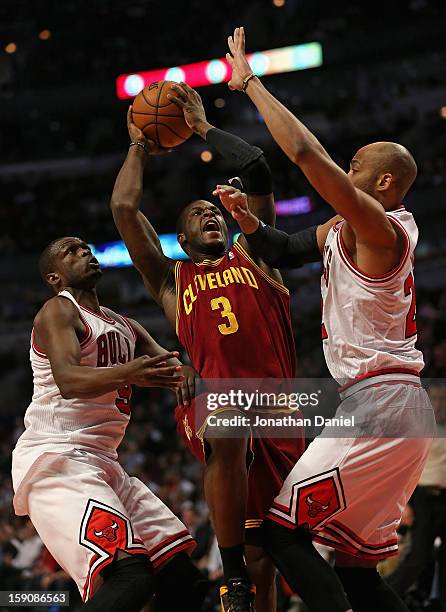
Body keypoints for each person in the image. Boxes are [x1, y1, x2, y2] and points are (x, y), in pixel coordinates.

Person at [213, 25, 436, 612]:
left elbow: (307, 154)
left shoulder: (380, 228)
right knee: (359, 572)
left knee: (283, 533)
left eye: (359, 162)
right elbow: (283, 249)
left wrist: (251, 83)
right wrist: (247, 221)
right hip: (392, 407)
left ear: (384, 181)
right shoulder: (345, 230)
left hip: (379, 405)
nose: (350, 162)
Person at [110, 85, 319, 612]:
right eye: (198, 214)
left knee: (265, 554)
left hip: (280, 413)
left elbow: (257, 171)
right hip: (213, 404)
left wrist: (203, 126)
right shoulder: (171, 279)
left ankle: (243, 584)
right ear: (180, 239)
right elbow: (123, 206)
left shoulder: (257, 254)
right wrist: (139, 144)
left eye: (215, 211)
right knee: (229, 423)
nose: (212, 215)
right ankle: (230, 579)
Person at [11, 236, 208, 611]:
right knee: (131, 576)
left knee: (184, 580)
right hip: (57, 459)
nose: (84, 251)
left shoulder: (125, 325)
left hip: (104, 464)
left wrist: (183, 373)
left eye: (85, 246)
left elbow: (174, 366)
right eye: (71, 250)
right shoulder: (59, 311)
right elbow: (69, 381)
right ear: (54, 277)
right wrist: (131, 372)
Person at [387, 383, 446, 608]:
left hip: (444, 498)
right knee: (417, 558)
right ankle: (379, 600)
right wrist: (406, 504)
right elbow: (402, 469)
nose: (440, 404)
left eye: (443, 399)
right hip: (422, 498)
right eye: (436, 399)